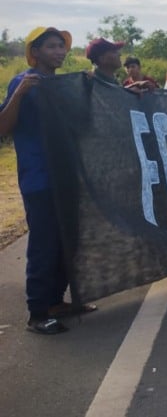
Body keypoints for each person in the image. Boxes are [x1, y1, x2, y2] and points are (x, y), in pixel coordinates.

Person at [0, 26, 98, 334]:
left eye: (62, 47)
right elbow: (4, 127)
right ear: (36, 51)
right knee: (44, 244)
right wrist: (19, 94)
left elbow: (83, 122)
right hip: (40, 178)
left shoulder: (60, 85)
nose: (59, 51)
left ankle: (57, 301)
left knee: (67, 240)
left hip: (66, 175)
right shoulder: (23, 82)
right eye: (52, 46)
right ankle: (38, 312)